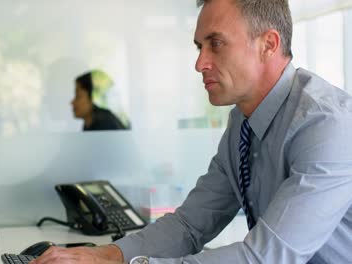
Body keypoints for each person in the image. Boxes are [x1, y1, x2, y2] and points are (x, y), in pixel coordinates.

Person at [31, 0, 352, 263]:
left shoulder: (326, 125)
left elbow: (264, 258)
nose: (200, 63)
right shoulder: (242, 123)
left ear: (268, 44)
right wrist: (106, 255)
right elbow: (190, 224)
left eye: (216, 44)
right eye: (200, 46)